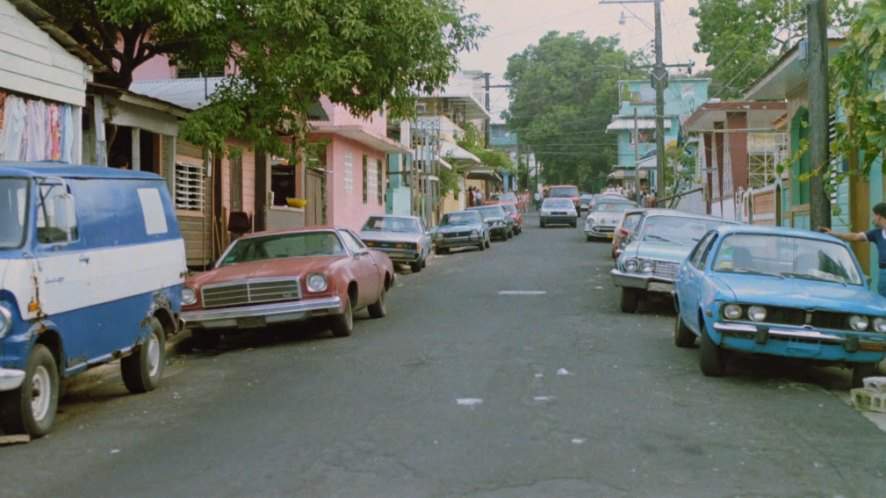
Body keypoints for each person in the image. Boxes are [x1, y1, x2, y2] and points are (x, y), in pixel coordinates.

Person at [819, 202, 886, 297]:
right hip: (884, 273)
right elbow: (855, 237)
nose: (873, 219)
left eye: (873, 216)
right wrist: (832, 233)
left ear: (879, 216)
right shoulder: (877, 233)